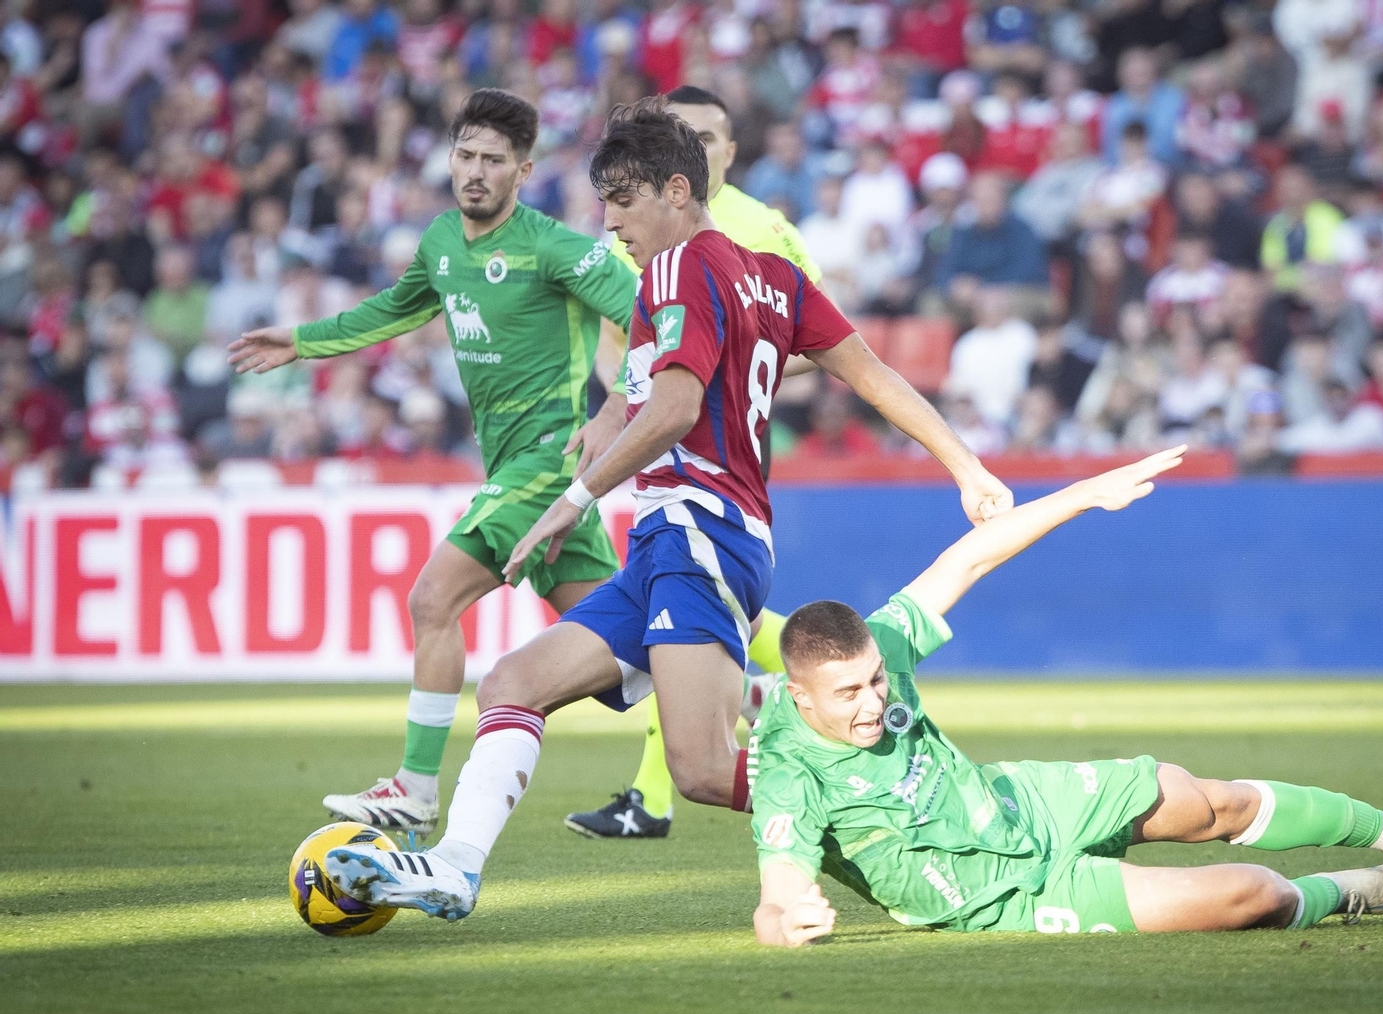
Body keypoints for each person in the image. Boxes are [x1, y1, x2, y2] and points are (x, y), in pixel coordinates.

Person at [322, 98, 1012, 920]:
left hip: (701, 532)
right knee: (511, 682)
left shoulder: (679, 269)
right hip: (675, 542)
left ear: (676, 190)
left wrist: (573, 497)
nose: (609, 223)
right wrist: (965, 465)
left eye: (622, 200)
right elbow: (860, 376)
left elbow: (678, 407)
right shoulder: (772, 276)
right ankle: (455, 868)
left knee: (702, 771)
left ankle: (907, 803)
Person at [747, 448, 1383, 946]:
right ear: (801, 699)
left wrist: (1083, 494)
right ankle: (1345, 894)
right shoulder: (786, 765)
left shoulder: (882, 642)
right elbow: (776, 893)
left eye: (878, 678)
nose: (874, 700)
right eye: (849, 693)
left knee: (1203, 801)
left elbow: (970, 558)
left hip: (1019, 803)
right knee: (1251, 896)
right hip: (993, 895)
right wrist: (792, 922)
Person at [227, 89, 642, 838]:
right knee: (629, 644)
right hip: (511, 466)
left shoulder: (555, 246)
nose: (476, 171)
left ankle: (416, 788)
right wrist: (303, 339)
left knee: (432, 600)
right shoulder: (444, 242)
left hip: (546, 464)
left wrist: (619, 409)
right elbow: (389, 310)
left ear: (524, 169)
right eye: (466, 155)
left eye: (493, 159)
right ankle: (756, 701)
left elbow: (649, 312)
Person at [568, 84, 828, 841]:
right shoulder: (648, 227)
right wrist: (621, 403)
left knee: (688, 637)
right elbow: (644, 344)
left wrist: (725, 367)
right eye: (691, 135)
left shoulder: (761, 230)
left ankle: (837, 678)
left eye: (715, 137)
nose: (704, 148)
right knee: (683, 636)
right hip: (665, 463)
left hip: (714, 475)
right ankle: (784, 699)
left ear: (730, 152)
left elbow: (813, 341)